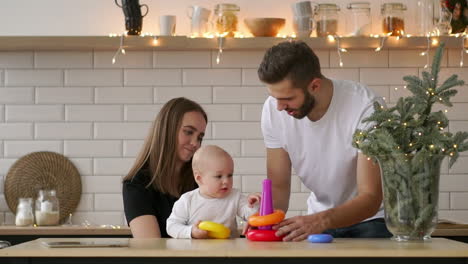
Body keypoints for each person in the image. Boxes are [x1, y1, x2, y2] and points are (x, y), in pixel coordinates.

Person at [257, 41, 391, 241]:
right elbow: (278, 187)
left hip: (372, 220)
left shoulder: (366, 107)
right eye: (274, 97)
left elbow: (370, 197)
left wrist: (321, 221)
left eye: (288, 98)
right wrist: (264, 222)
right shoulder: (273, 110)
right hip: (318, 220)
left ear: (314, 85)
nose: (279, 107)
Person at [122, 97, 208, 238]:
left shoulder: (201, 180)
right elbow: (151, 249)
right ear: (167, 130)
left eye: (200, 137)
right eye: (188, 132)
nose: (195, 143)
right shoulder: (136, 185)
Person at [166, 145, 260, 239]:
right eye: (219, 176)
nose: (226, 181)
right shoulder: (187, 200)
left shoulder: (234, 196)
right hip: (196, 251)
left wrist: (252, 205)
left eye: (229, 175)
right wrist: (191, 232)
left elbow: (253, 218)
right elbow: (171, 226)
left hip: (229, 250)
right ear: (199, 178)